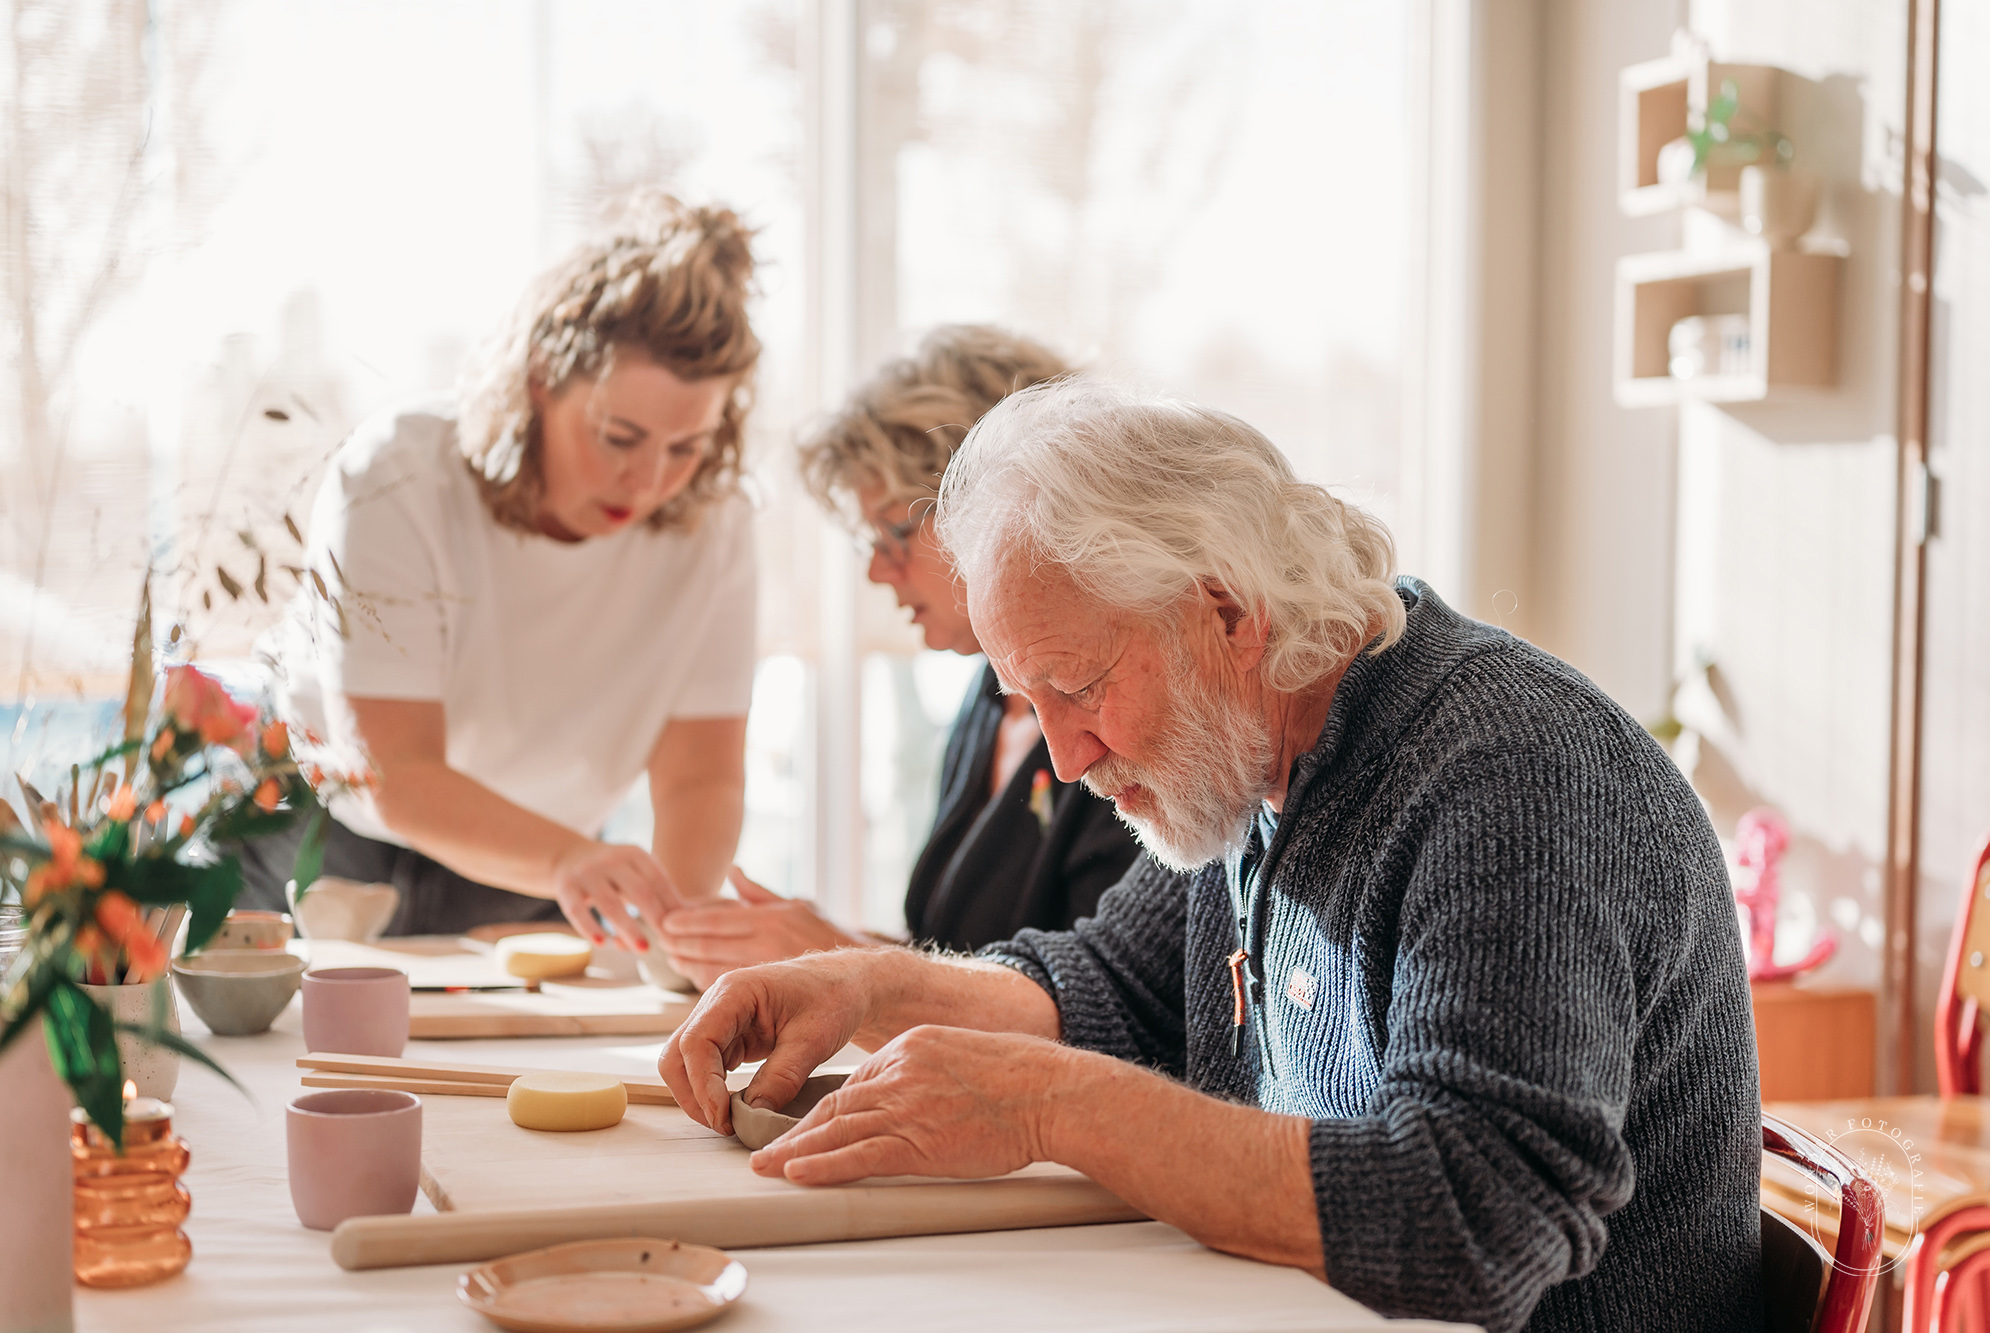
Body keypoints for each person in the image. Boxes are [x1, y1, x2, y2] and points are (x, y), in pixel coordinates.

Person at [657, 380, 1763, 1332]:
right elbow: (1105, 987)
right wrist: (863, 985)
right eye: (1028, 700)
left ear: (1225, 612)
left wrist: (1053, 1104)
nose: (1065, 754)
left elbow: (1475, 1221)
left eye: (1081, 688)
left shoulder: (1512, 775)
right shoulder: (1241, 760)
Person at [244, 193, 761, 948]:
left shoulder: (719, 524)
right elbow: (395, 768)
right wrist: (571, 861)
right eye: (619, 436)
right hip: (330, 846)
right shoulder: (400, 475)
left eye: (686, 448)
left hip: (541, 870)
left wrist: (676, 928)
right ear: (543, 378)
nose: (648, 480)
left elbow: (700, 779)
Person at [656, 327, 1142, 987]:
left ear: (1002, 505)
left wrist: (836, 956)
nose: (878, 574)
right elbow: (955, 954)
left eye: (895, 532)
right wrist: (805, 951)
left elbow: (1106, 1004)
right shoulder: (987, 700)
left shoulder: (1127, 720)